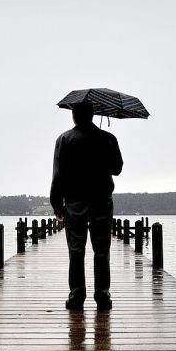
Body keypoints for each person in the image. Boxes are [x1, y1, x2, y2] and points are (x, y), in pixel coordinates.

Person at [50, 101, 123, 311]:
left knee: (76, 249)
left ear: (74, 116)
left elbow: (58, 175)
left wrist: (56, 204)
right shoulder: (108, 139)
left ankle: (76, 295)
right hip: (101, 200)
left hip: (75, 202)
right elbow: (117, 168)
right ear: (93, 115)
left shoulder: (64, 139)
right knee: (102, 250)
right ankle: (102, 295)